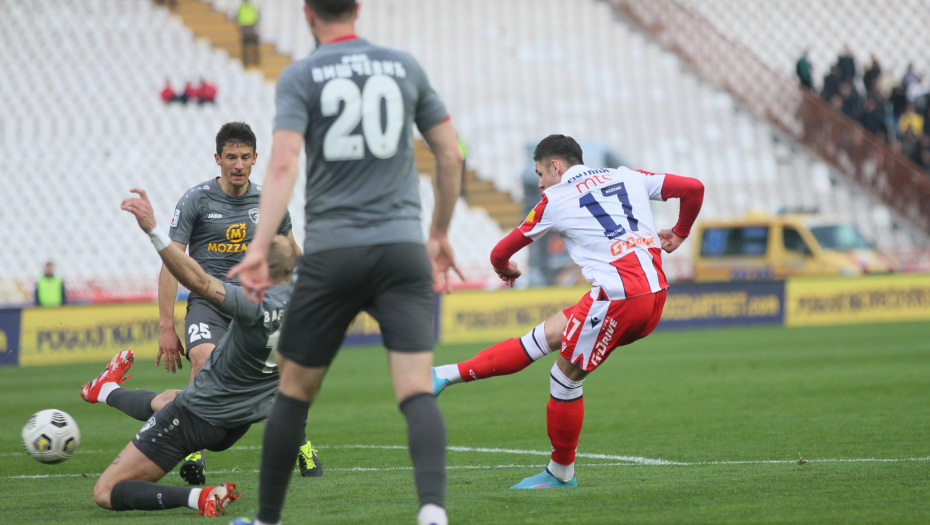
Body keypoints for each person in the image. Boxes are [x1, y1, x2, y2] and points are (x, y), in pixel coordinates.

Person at [226, 1, 464, 524]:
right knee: (416, 389)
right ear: (357, 8)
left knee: (293, 391)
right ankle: (432, 512)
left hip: (333, 254)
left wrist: (260, 247)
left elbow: (283, 163)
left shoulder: (301, 76)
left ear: (307, 13)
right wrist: (440, 232)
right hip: (402, 251)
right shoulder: (403, 65)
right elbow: (450, 154)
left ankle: (267, 520)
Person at [432, 135, 704, 489]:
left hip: (618, 297)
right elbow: (693, 189)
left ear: (555, 166)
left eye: (540, 174)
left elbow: (499, 252)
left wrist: (505, 268)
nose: (540, 183)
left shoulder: (555, 200)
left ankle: (561, 472)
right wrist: (679, 233)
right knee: (544, 336)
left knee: (564, 379)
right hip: (654, 293)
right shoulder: (627, 176)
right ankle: (443, 375)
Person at [83, 189, 315, 516]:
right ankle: (106, 389)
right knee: (170, 399)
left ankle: (199, 497)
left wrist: (153, 229)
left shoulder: (251, 303)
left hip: (198, 416)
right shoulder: (312, 305)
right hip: (238, 422)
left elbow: (196, 279)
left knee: (105, 492)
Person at [158, 122, 301, 485]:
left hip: (256, 304)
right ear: (218, 158)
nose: (238, 164)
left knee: (278, 373)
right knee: (203, 358)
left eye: (245, 157)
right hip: (210, 302)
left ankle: (300, 440)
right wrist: (166, 325)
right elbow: (171, 262)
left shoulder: (268, 202)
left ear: (255, 158)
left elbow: (291, 254)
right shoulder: (196, 200)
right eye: (231, 157)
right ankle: (193, 450)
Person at [237, 0, 260, 67]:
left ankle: (247, 61)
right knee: (253, 45)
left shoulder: (241, 7)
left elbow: (238, 18)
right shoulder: (251, 7)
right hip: (251, 28)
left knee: (246, 46)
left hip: (245, 28)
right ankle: (254, 60)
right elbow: (256, 17)